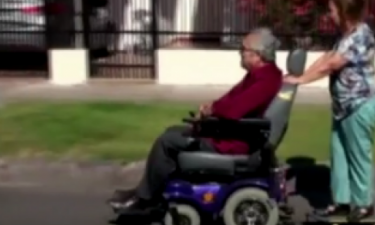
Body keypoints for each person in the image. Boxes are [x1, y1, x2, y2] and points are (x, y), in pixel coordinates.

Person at [109, 28, 284, 211]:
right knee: (172, 132)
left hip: (232, 142)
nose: (240, 53)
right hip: (229, 133)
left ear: (257, 55)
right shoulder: (259, 76)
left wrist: (212, 111)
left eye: (243, 49)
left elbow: (234, 110)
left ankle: (145, 199)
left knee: (167, 141)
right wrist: (211, 107)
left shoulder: (266, 79)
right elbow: (230, 100)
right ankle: (152, 191)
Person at [283, 0, 375, 221]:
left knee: (358, 156)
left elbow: (332, 65)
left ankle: (364, 204)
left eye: (332, 10)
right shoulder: (345, 36)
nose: (330, 14)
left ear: (345, 11)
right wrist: (301, 75)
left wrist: (302, 80)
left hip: (359, 105)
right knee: (339, 156)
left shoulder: (361, 35)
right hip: (343, 107)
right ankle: (342, 202)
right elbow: (327, 57)